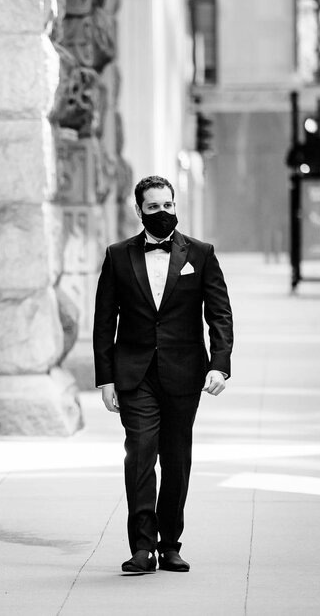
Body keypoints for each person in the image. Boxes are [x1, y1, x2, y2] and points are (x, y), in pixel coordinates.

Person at [93, 175, 233, 574]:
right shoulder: (118, 255)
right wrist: (106, 380)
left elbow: (219, 313)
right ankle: (141, 548)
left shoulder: (201, 254)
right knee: (139, 456)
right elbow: (105, 321)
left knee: (176, 461)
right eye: (153, 207)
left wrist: (219, 363)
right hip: (134, 375)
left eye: (168, 206)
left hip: (184, 373)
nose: (162, 213)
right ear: (139, 211)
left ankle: (170, 544)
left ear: (176, 205)